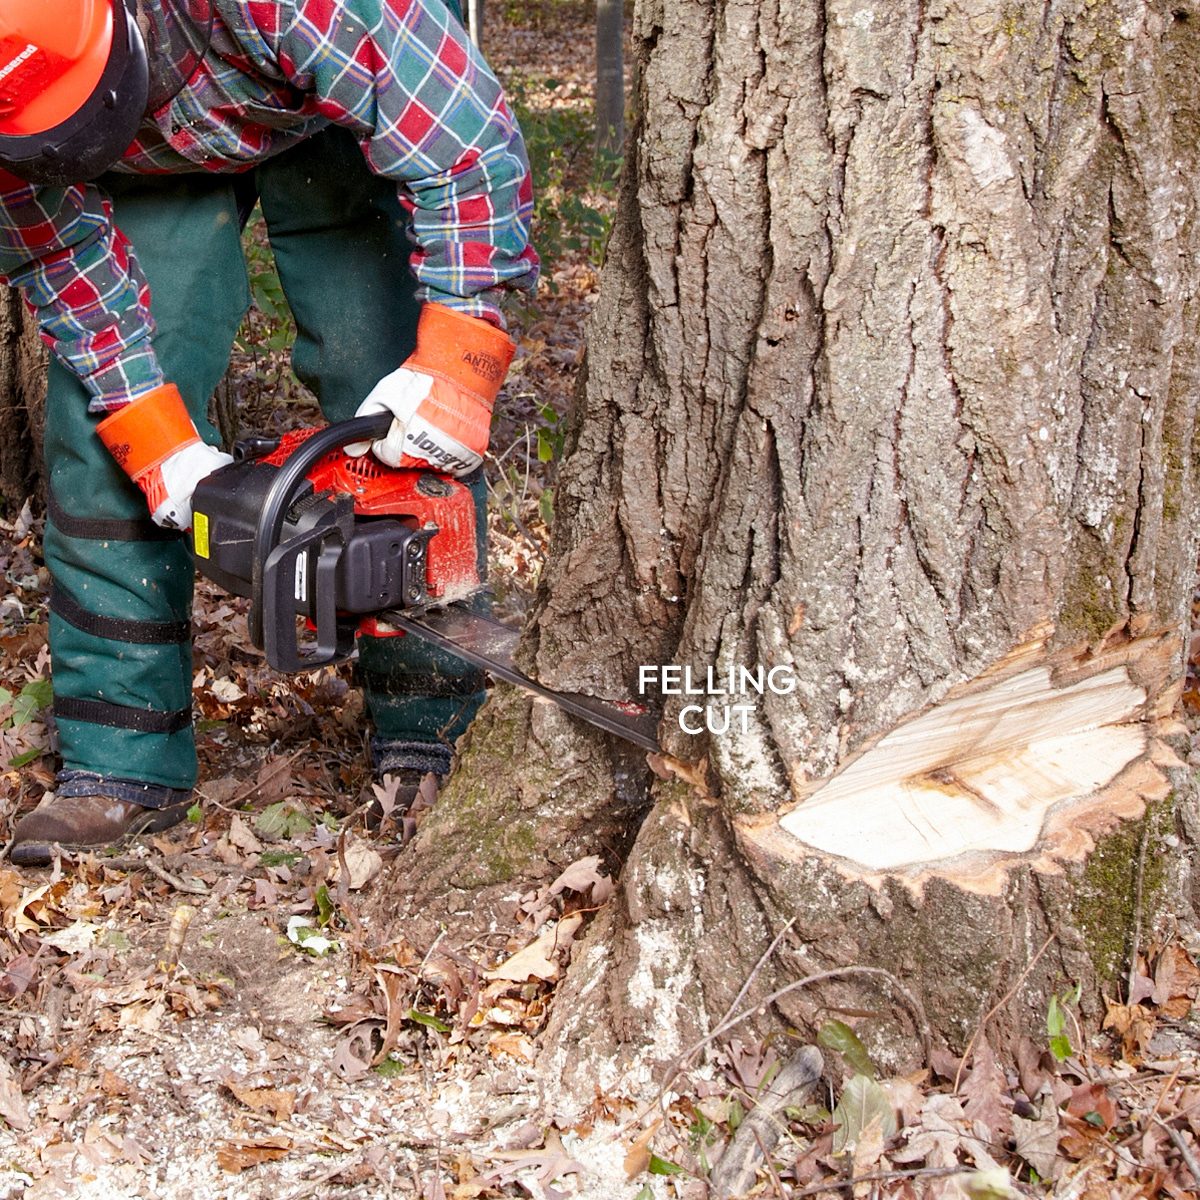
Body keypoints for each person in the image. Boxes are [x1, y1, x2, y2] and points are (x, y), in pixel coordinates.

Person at [0, 0, 537, 864]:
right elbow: (65, 263)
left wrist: (459, 359)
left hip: (333, 109)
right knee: (98, 446)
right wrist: (154, 435)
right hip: (146, 162)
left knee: (390, 376)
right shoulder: (15, 117)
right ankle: (119, 763)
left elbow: (464, 139)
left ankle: (428, 726)